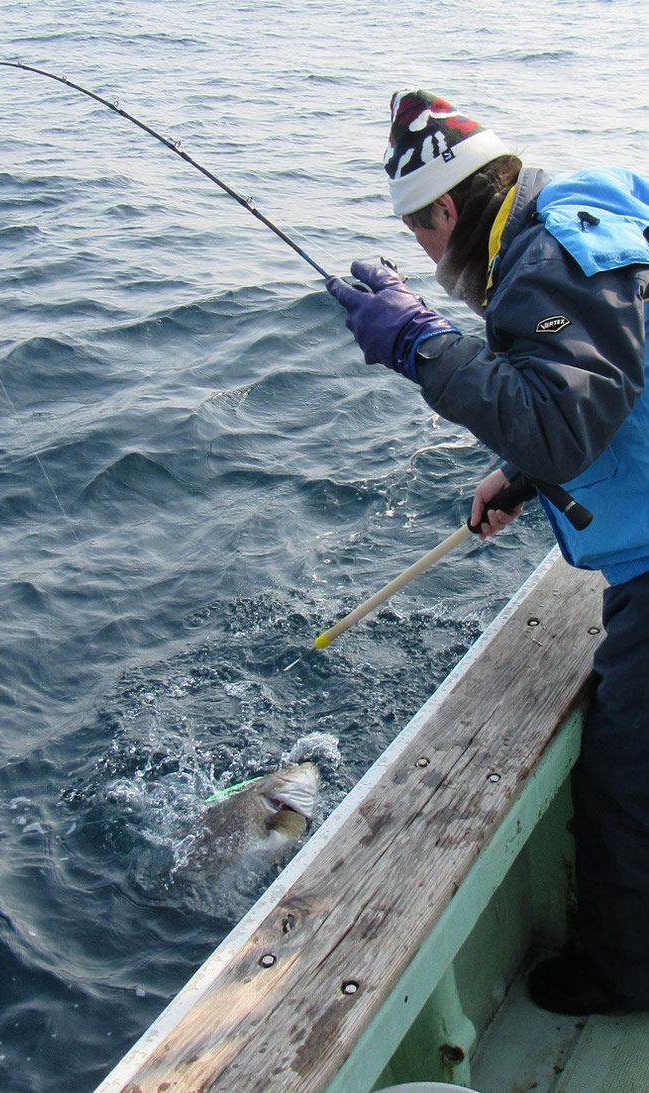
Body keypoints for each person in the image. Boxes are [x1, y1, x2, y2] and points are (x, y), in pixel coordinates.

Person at [326, 89, 649, 1016]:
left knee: (624, 778)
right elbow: (612, 386)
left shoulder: (544, 263)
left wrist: (423, 346)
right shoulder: (579, 218)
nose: (430, 260)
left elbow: (565, 422)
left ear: (448, 211)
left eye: (422, 236)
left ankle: (626, 978)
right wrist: (521, 474)